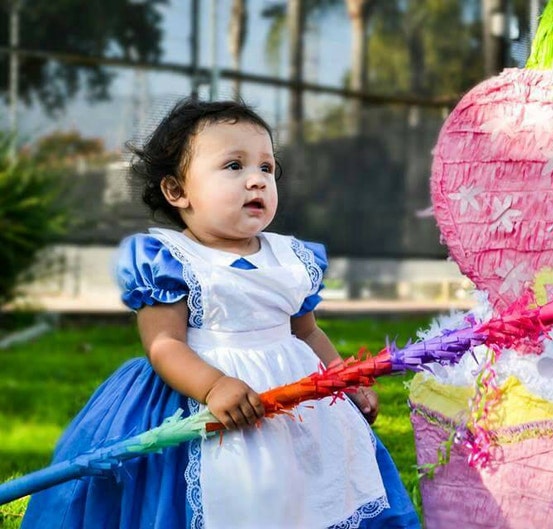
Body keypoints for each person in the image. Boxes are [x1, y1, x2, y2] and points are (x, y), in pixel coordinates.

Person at [21, 98, 421, 529]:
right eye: (234, 166)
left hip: (300, 402)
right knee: (236, 496)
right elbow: (164, 344)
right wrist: (213, 387)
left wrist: (344, 378)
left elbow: (306, 333)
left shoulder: (291, 257)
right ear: (177, 190)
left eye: (266, 168)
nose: (256, 181)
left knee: (313, 487)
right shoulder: (169, 259)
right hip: (204, 396)